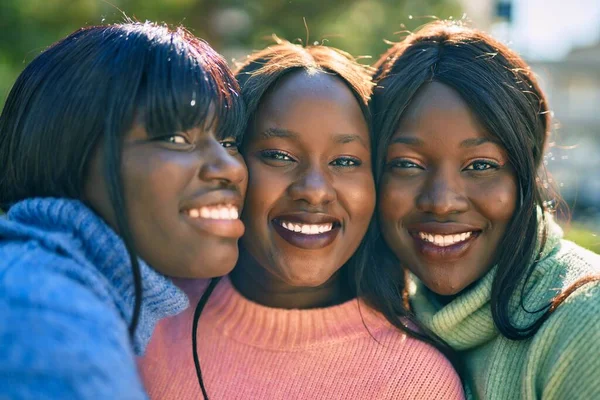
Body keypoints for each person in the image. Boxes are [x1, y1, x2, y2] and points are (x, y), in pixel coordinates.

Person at [138, 39, 464, 399]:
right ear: (230, 164)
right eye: (279, 156)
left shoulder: (415, 378)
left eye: (344, 161)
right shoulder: (147, 320)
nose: (314, 190)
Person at [0, 22, 247, 399]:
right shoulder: (47, 314)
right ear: (69, 151)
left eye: (229, 141)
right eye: (176, 138)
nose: (230, 167)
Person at [368, 21, 600, 399]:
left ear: (524, 176)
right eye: (407, 164)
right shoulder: (384, 311)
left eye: (480, 165)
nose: (442, 201)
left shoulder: (584, 318)